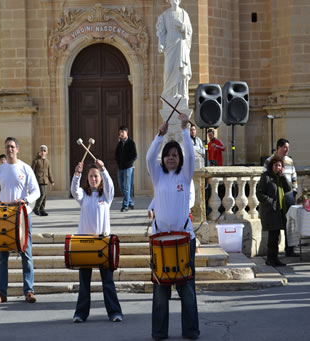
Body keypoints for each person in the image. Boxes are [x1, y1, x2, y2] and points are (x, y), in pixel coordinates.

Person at [146, 113, 200, 340]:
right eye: (168, 155)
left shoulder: (185, 177)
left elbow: (191, 154)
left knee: (187, 290)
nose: (171, 158)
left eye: (174, 155)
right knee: (160, 292)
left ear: (179, 159)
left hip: (184, 238)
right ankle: (159, 332)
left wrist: (185, 129)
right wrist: (160, 135)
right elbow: (149, 158)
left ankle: (191, 331)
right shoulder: (157, 176)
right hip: (160, 240)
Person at [0, 137, 40, 305]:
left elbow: (36, 191)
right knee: (2, 256)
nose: (10, 149)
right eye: (7, 147)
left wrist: (26, 200)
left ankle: (29, 290)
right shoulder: (0, 170)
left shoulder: (25, 168)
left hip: (22, 216)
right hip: (4, 217)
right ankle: (1, 292)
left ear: (18, 149)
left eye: (12, 146)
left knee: (26, 254)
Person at [71, 160, 123, 323]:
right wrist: (76, 174)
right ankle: (80, 313)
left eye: (96, 176)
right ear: (87, 178)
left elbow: (110, 186)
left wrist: (104, 169)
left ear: (100, 179)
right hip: (85, 243)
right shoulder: (83, 195)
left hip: (103, 243)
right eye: (91, 176)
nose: (94, 178)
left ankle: (115, 312)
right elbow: (74, 191)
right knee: (84, 282)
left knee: (107, 281)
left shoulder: (106, 196)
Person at [263, 138, 299, 257]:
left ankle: (290, 249)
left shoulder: (290, 161)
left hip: (288, 195)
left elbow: (294, 177)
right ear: (278, 147)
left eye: (288, 148)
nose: (287, 150)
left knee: (290, 223)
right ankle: (274, 254)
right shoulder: (269, 161)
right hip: (275, 195)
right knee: (276, 225)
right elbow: (265, 177)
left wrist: (294, 191)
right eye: (285, 147)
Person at [257, 156, 291, 267]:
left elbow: (288, 189)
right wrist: (270, 201)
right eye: (276, 165)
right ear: (271, 166)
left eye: (280, 165)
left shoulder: (280, 178)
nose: (278, 167)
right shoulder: (266, 177)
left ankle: (274, 259)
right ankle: (270, 259)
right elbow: (259, 193)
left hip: (279, 210)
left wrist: (283, 177)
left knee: (276, 236)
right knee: (272, 237)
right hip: (270, 211)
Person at [156, 0, 192, 102]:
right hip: (170, 45)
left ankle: (181, 93)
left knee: (180, 69)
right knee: (169, 69)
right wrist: (161, 43)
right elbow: (161, 31)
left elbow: (189, 31)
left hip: (181, 43)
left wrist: (183, 27)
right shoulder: (165, 15)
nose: (175, 0)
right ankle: (169, 94)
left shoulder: (184, 14)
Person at [115, 125, 137, 212]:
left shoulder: (131, 142)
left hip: (128, 168)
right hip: (120, 167)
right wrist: (118, 162)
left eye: (122, 132)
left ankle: (125, 205)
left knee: (127, 187)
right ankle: (130, 202)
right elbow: (116, 154)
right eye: (120, 132)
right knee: (121, 186)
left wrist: (129, 163)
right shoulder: (120, 143)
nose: (121, 134)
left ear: (126, 132)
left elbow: (134, 155)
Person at [31, 145, 55, 216]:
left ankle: (42, 210)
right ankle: (36, 208)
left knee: (45, 196)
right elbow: (31, 171)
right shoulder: (36, 160)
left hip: (45, 180)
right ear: (40, 151)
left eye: (44, 151)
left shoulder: (47, 161)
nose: (43, 152)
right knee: (42, 194)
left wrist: (52, 181)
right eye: (42, 150)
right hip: (38, 180)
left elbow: (49, 172)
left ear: (46, 152)